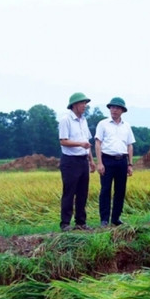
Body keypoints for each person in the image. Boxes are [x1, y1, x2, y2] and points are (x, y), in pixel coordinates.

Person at [95, 97, 136, 227]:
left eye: (117, 108)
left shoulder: (127, 126)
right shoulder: (103, 124)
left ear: (122, 110)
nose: (114, 110)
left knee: (120, 190)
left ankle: (116, 218)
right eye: (112, 107)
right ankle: (104, 220)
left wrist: (130, 164)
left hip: (122, 161)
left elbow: (130, 146)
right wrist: (100, 163)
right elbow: (97, 143)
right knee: (105, 190)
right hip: (107, 159)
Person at [58, 92, 96, 231]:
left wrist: (91, 161)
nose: (85, 106)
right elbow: (63, 141)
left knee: (82, 193)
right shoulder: (66, 120)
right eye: (82, 103)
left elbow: (87, 143)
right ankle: (65, 224)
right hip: (70, 161)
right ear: (74, 105)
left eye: (86, 103)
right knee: (69, 192)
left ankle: (81, 222)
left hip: (82, 160)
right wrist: (80, 144)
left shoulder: (84, 120)